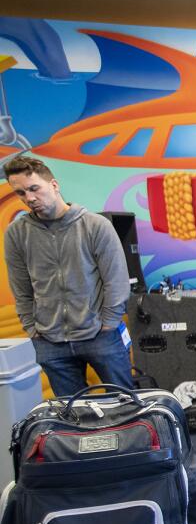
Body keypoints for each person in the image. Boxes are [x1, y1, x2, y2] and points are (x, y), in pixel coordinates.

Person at [3, 155, 133, 396]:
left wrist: (108, 324)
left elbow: (116, 281)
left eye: (34, 188)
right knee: (73, 419)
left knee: (124, 407)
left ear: (53, 185)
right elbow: (21, 287)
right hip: (50, 341)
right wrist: (32, 328)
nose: (29, 198)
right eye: (21, 193)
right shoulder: (16, 234)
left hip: (100, 336)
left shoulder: (95, 225)